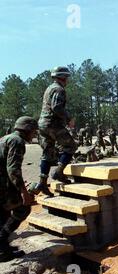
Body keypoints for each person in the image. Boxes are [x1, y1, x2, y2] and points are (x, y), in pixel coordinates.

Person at [0, 117, 38, 262]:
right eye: (33, 132)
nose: (34, 135)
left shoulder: (5, 138)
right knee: (23, 208)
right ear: (27, 130)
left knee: (3, 214)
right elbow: (13, 169)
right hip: (3, 185)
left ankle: (3, 248)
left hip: (3, 182)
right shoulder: (17, 141)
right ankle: (1, 242)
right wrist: (24, 192)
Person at [36, 66, 77, 195]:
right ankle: (59, 172)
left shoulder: (49, 88)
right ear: (63, 77)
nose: (68, 80)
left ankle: (42, 183)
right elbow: (57, 107)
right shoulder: (59, 89)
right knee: (71, 146)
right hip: (53, 124)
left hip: (42, 124)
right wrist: (69, 119)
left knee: (47, 152)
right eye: (67, 78)